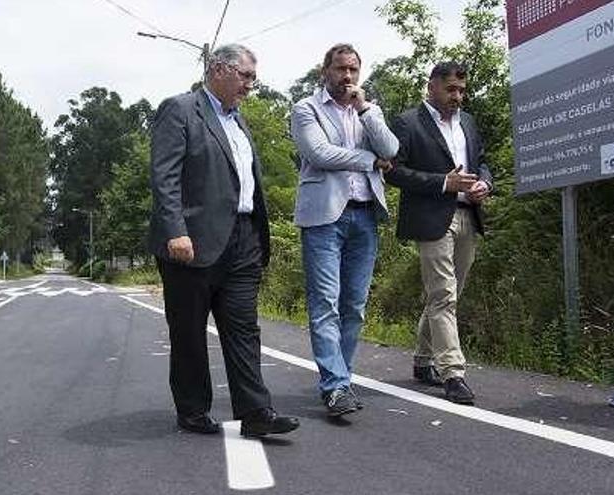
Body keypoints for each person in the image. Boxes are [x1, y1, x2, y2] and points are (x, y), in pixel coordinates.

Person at [148, 43, 299, 437]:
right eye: (245, 76)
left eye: (254, 77)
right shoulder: (180, 110)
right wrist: (175, 230)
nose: (251, 85)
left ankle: (255, 413)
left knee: (244, 328)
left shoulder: (239, 121)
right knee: (189, 332)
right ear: (218, 69)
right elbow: (164, 177)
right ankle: (193, 411)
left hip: (243, 239)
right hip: (192, 242)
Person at [290, 43, 398, 417]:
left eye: (353, 69)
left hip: (365, 215)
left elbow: (392, 148)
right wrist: (370, 160)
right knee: (325, 305)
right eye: (340, 69)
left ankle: (342, 380)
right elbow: (320, 154)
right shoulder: (306, 109)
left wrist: (365, 110)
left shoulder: (370, 110)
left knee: (354, 305)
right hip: (324, 217)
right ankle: (335, 386)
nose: (347, 76)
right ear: (325, 72)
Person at [385, 61, 492, 405]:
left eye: (462, 90)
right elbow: (393, 172)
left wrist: (485, 182)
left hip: (468, 216)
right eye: (451, 89)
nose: (457, 97)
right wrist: (443, 182)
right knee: (444, 295)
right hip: (432, 219)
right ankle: (453, 373)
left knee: (448, 294)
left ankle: (421, 359)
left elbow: (482, 160)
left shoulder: (470, 123)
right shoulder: (407, 122)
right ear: (431, 86)